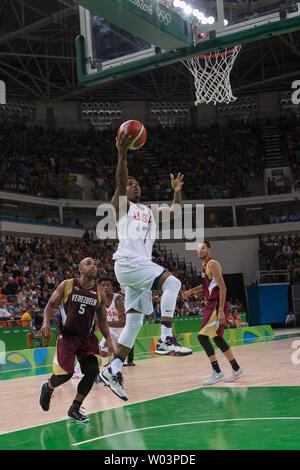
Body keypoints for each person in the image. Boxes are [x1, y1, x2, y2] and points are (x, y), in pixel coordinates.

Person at [100, 131, 191, 401]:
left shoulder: (148, 210)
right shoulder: (121, 205)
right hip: (129, 263)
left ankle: (113, 368)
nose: (134, 185)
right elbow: (119, 180)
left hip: (137, 269)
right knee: (173, 282)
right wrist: (122, 153)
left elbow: (175, 212)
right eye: (130, 183)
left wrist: (177, 194)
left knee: (135, 322)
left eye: (137, 183)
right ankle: (165, 337)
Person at [38, 257, 113, 422]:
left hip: (86, 337)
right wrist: (45, 323)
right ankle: (48, 387)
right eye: (88, 263)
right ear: (80, 269)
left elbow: (102, 320)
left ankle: (75, 408)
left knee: (93, 370)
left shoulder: (98, 292)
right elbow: (50, 305)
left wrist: (108, 339)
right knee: (65, 375)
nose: (93, 266)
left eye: (95, 264)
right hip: (67, 336)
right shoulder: (68, 285)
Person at [182, 241, 244, 385]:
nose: (199, 250)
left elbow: (223, 287)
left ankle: (217, 372)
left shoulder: (212, 264)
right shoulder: (204, 266)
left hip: (216, 304)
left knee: (202, 337)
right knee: (217, 338)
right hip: (212, 304)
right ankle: (236, 369)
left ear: (208, 249)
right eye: (198, 249)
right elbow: (207, 285)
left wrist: (221, 310)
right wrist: (191, 291)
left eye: (203, 248)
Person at [73, 277, 134, 379]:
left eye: (108, 285)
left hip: (124, 331)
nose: (106, 288)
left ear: (112, 287)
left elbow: (124, 322)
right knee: (103, 349)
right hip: (111, 330)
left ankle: (112, 374)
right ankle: (105, 372)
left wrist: (105, 323)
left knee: (116, 355)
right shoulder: (99, 301)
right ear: (99, 288)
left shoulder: (119, 300)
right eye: (103, 286)